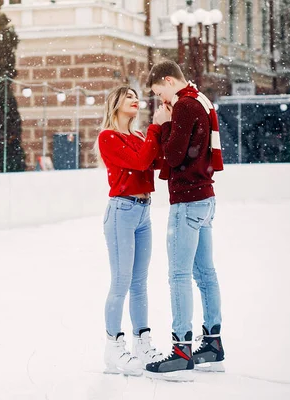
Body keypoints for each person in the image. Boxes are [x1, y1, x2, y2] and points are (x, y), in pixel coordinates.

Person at [144, 60, 225, 382]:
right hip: (205, 197)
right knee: (206, 274)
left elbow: (175, 155)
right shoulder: (201, 100)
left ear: (167, 80)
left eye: (158, 91)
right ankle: (213, 342)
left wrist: (163, 123)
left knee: (179, 275)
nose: (160, 98)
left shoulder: (184, 106)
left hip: (188, 200)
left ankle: (181, 348)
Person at [96, 86, 165, 376]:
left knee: (140, 283)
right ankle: (113, 346)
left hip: (143, 212)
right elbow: (139, 162)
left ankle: (142, 342)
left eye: (137, 97)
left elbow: (156, 162)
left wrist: (164, 130)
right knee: (121, 281)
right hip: (121, 212)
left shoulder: (138, 136)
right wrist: (155, 129)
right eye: (128, 97)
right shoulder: (108, 137)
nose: (135, 100)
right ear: (115, 104)